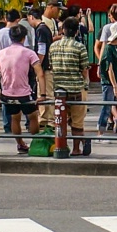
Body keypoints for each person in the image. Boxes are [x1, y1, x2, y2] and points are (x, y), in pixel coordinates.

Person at [0, 24, 45, 153]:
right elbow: (40, 73)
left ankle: (20, 144)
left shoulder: (1, 54)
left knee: (15, 118)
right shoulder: (29, 53)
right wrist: (42, 94)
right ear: (24, 38)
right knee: (32, 117)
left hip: (7, 92)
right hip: (25, 92)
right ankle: (35, 142)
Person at [48, 16, 90, 154]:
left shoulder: (53, 46)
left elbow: (51, 66)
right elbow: (84, 69)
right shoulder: (80, 47)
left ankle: (61, 146)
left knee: (61, 121)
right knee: (77, 122)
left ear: (63, 30)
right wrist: (86, 84)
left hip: (59, 89)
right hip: (77, 89)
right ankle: (76, 149)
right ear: (77, 31)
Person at [27, 6, 55, 128]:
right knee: (43, 93)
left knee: (46, 94)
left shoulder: (40, 30)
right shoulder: (44, 28)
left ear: (31, 17)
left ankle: (48, 120)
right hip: (46, 66)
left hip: (45, 67)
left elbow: (42, 49)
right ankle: (45, 119)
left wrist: (37, 64)